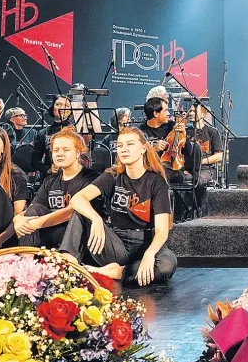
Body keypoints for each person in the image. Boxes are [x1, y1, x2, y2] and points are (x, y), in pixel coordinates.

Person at [59, 127, 177, 285]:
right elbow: (77, 199)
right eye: (120, 145)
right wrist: (96, 219)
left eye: (130, 144)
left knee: (166, 264)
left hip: (146, 241)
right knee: (81, 213)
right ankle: (68, 267)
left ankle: (115, 272)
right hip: (116, 244)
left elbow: (162, 230)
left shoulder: (156, 181)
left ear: (143, 148)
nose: (124, 149)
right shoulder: (113, 175)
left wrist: (149, 255)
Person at [15, 128, 99, 249]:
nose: (59, 154)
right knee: (34, 210)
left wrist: (34, 224)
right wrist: (18, 219)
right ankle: (26, 258)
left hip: (78, 234)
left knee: (76, 214)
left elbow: (70, 213)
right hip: (50, 230)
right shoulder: (50, 180)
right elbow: (33, 208)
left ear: (78, 153)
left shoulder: (91, 178)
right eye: (56, 150)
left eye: (66, 150)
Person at [31, 96, 75, 173]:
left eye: (66, 106)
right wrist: (48, 170)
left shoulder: (76, 131)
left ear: (71, 110)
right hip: (52, 177)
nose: (62, 108)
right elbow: (35, 161)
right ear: (52, 108)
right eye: (58, 104)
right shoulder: (43, 133)